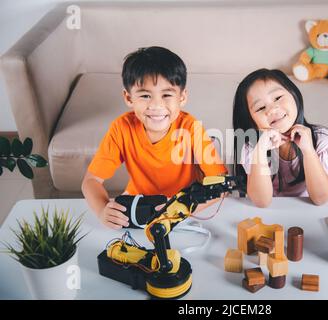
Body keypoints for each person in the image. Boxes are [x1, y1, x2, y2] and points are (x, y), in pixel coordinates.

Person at [82, 46, 227, 229]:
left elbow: (220, 185)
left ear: (182, 97)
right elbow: (91, 181)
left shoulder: (191, 128)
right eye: (145, 95)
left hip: (184, 208)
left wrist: (178, 209)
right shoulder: (121, 128)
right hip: (139, 204)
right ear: (128, 98)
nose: (156, 105)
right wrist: (102, 210)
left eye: (167, 95)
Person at [232, 68, 328, 207]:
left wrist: (308, 151)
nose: (272, 109)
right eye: (260, 108)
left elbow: (321, 198)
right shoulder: (251, 147)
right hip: (270, 214)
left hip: (306, 208)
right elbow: (261, 202)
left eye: (277, 98)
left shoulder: (322, 140)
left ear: (294, 95)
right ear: (251, 121)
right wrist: (260, 151)